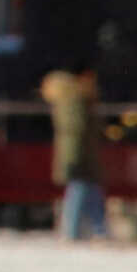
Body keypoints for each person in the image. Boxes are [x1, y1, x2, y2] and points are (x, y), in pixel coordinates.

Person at [43, 67, 106, 241]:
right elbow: (77, 128)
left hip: (80, 151)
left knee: (90, 190)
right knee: (79, 189)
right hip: (77, 152)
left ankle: (99, 229)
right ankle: (74, 230)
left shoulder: (73, 98)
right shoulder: (75, 99)